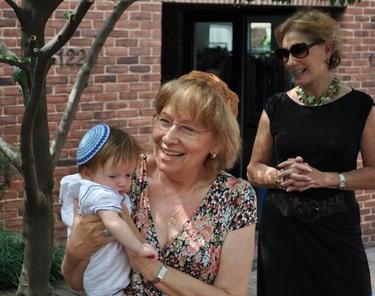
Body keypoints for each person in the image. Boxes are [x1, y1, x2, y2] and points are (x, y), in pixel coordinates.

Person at [61, 70, 257, 295]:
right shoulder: (122, 176)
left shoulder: (236, 196)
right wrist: (76, 250)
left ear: (217, 144)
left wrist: (152, 268)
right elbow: (76, 282)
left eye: (188, 128)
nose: (169, 138)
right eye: (165, 121)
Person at [247, 9, 375, 296]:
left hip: (337, 232)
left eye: (299, 50)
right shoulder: (276, 106)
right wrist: (282, 178)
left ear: (327, 49)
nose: (290, 61)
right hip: (282, 235)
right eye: (284, 54)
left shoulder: (360, 106)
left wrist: (324, 179)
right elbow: (253, 169)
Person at [59, 123, 157, 296]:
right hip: (105, 282)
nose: (123, 182)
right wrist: (139, 248)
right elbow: (113, 222)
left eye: (128, 175)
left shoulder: (100, 187)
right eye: (113, 176)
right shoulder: (100, 193)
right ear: (88, 174)